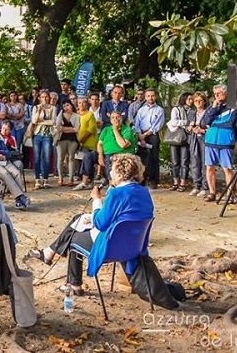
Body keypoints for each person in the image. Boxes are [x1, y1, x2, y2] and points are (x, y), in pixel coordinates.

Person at [27, 154, 154, 296]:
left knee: (74, 237)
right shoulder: (144, 192)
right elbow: (126, 217)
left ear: (119, 173)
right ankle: (50, 253)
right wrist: (93, 217)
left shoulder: (117, 194)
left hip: (111, 247)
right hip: (133, 246)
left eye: (112, 169)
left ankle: (73, 284)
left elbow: (101, 224)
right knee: (79, 219)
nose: (110, 173)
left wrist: (97, 200)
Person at [202, 84, 237, 202]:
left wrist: (214, 124)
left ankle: (230, 194)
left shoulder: (233, 107)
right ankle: (212, 193)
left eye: (219, 93)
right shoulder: (211, 108)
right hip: (211, 141)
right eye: (215, 94)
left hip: (225, 142)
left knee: (227, 169)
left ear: (225, 93)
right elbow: (204, 123)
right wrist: (214, 108)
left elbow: (231, 123)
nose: (216, 96)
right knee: (210, 168)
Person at [95, 111, 136, 186]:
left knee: (110, 158)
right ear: (110, 120)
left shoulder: (127, 130)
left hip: (122, 154)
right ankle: (85, 181)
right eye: (113, 117)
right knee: (89, 156)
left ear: (121, 119)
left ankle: (111, 184)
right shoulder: (106, 130)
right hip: (106, 153)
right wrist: (100, 155)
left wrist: (115, 130)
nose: (115, 119)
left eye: (117, 117)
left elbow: (122, 145)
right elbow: (99, 144)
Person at [134, 88, 165, 188]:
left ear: (155, 97)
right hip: (140, 134)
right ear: (145, 97)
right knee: (140, 157)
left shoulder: (159, 110)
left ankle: (153, 180)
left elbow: (157, 125)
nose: (150, 98)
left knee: (153, 157)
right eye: (148, 96)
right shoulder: (141, 110)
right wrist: (140, 136)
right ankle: (141, 179)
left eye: (152, 96)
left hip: (152, 134)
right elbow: (137, 123)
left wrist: (146, 135)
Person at [31, 91, 56, 189]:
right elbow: (34, 121)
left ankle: (45, 180)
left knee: (47, 157)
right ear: (39, 98)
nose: (45, 99)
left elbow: (53, 121)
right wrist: (39, 111)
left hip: (47, 135)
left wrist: (41, 122)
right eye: (42, 97)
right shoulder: (36, 107)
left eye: (46, 97)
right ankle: (37, 180)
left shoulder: (53, 108)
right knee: (37, 158)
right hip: (37, 135)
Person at [168, 92, 193, 192]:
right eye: (189, 99)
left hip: (186, 138)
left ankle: (183, 183)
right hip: (175, 138)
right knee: (175, 161)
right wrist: (186, 123)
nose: (191, 101)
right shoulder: (176, 109)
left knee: (184, 161)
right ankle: (175, 182)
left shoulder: (192, 111)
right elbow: (173, 122)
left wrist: (182, 123)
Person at [73, 98, 99, 191]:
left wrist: (82, 139)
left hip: (88, 141)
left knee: (88, 161)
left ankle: (89, 181)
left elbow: (91, 128)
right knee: (79, 160)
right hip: (77, 141)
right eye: (80, 103)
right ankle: (81, 178)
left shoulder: (90, 114)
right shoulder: (75, 114)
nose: (82, 105)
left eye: (84, 103)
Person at [187, 92, 209, 198]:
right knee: (195, 163)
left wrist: (202, 130)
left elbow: (211, 126)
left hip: (205, 139)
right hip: (194, 139)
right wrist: (190, 128)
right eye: (195, 101)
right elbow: (187, 127)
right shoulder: (191, 113)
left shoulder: (208, 112)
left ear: (204, 101)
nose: (198, 103)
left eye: (200, 100)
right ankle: (196, 185)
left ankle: (205, 187)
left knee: (205, 163)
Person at [55, 100, 80, 187]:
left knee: (71, 158)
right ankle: (60, 177)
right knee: (60, 158)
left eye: (68, 105)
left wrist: (64, 129)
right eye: (64, 106)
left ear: (72, 106)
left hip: (73, 139)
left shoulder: (76, 116)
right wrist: (69, 129)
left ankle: (71, 178)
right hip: (61, 139)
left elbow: (76, 128)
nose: (66, 107)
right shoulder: (60, 115)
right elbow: (58, 126)